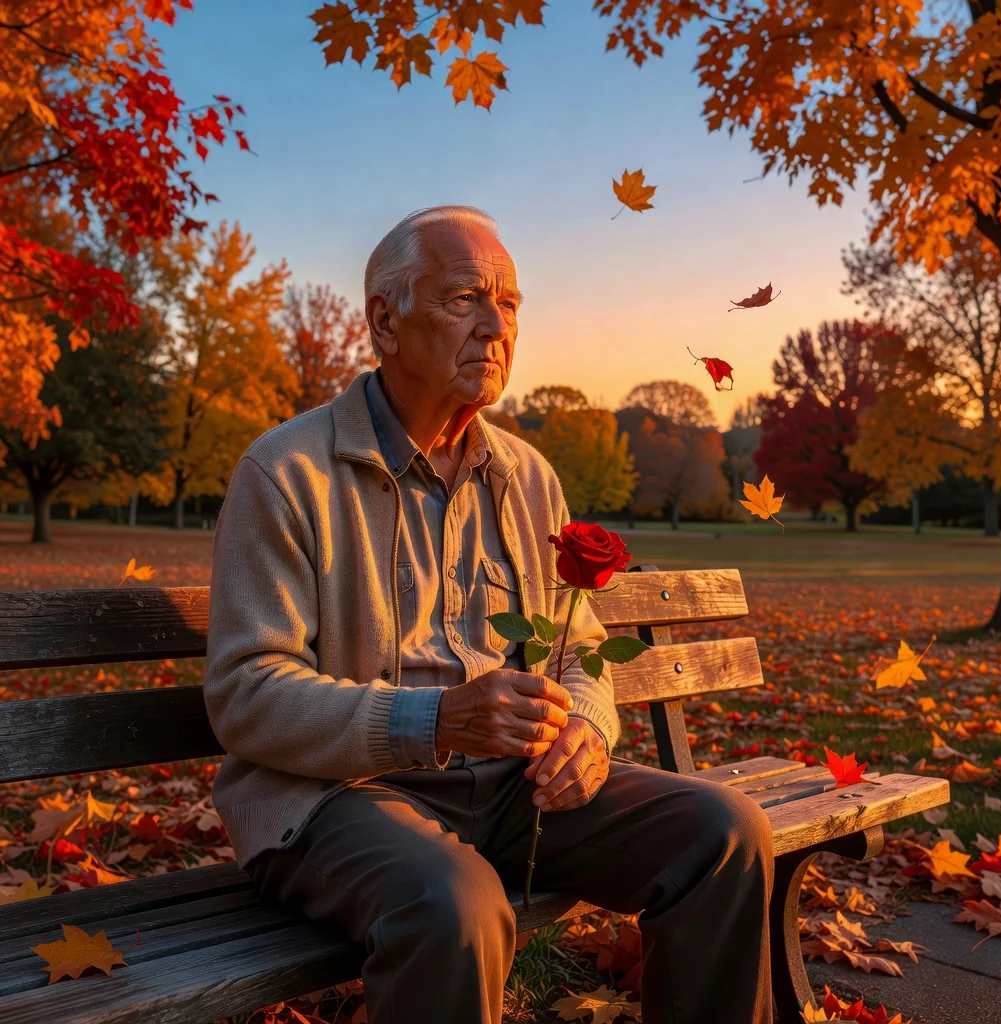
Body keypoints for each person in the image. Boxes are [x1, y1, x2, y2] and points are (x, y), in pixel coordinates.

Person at [203, 205, 774, 1024]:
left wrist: (584, 727)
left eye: (510, 304)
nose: (496, 326)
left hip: (511, 788)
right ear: (384, 321)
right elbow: (247, 693)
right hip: (336, 798)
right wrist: (432, 720)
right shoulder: (287, 473)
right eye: (466, 298)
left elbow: (578, 648)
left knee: (724, 832)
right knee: (456, 909)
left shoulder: (528, 474)